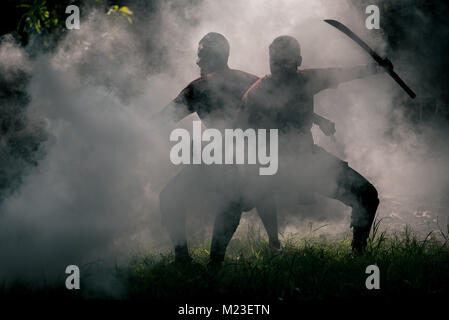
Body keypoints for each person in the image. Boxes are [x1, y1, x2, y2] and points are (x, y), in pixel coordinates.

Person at [215, 35, 388, 256]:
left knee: (366, 195)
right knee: (231, 201)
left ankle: (358, 253)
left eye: (284, 60)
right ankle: (214, 262)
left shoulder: (307, 79)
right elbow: (237, 131)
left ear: (298, 60)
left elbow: (343, 73)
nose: (278, 66)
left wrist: (376, 68)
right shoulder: (257, 93)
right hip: (268, 165)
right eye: (274, 60)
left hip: (306, 160)